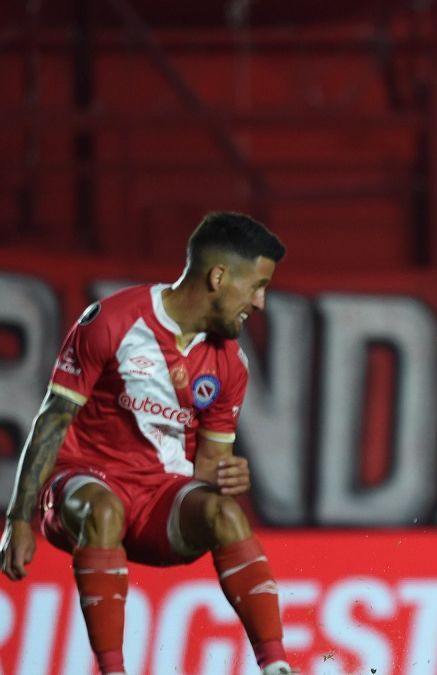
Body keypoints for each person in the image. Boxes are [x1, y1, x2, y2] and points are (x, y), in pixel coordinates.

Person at [0, 212, 294, 675]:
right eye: (257, 285)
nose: (259, 302)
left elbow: (207, 467)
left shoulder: (230, 365)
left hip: (158, 502)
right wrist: (18, 517)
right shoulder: (112, 321)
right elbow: (53, 418)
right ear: (218, 276)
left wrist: (225, 475)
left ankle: (276, 667)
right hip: (82, 489)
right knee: (103, 510)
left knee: (226, 514)